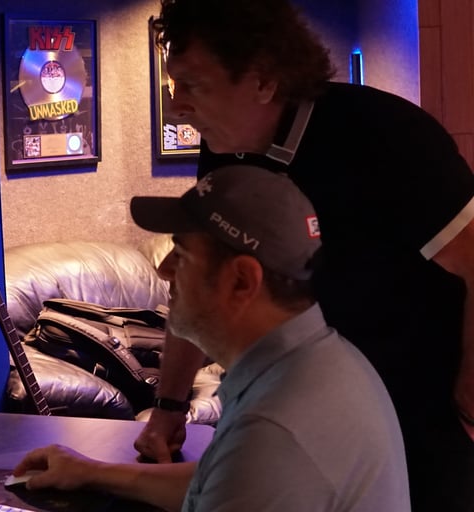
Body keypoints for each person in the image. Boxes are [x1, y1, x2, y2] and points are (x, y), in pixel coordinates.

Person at [134, 1, 474, 511]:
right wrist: (168, 407)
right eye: (173, 84)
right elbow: (196, 279)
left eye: (193, 85)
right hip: (304, 395)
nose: (176, 106)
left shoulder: (386, 136)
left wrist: (469, 400)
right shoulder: (225, 150)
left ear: (264, 80)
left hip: (420, 409)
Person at [13, 165, 410, 511]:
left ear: (242, 281)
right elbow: (217, 480)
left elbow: (249, 471)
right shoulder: (317, 364)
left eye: (182, 255)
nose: (164, 270)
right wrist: (90, 472)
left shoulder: (273, 432)